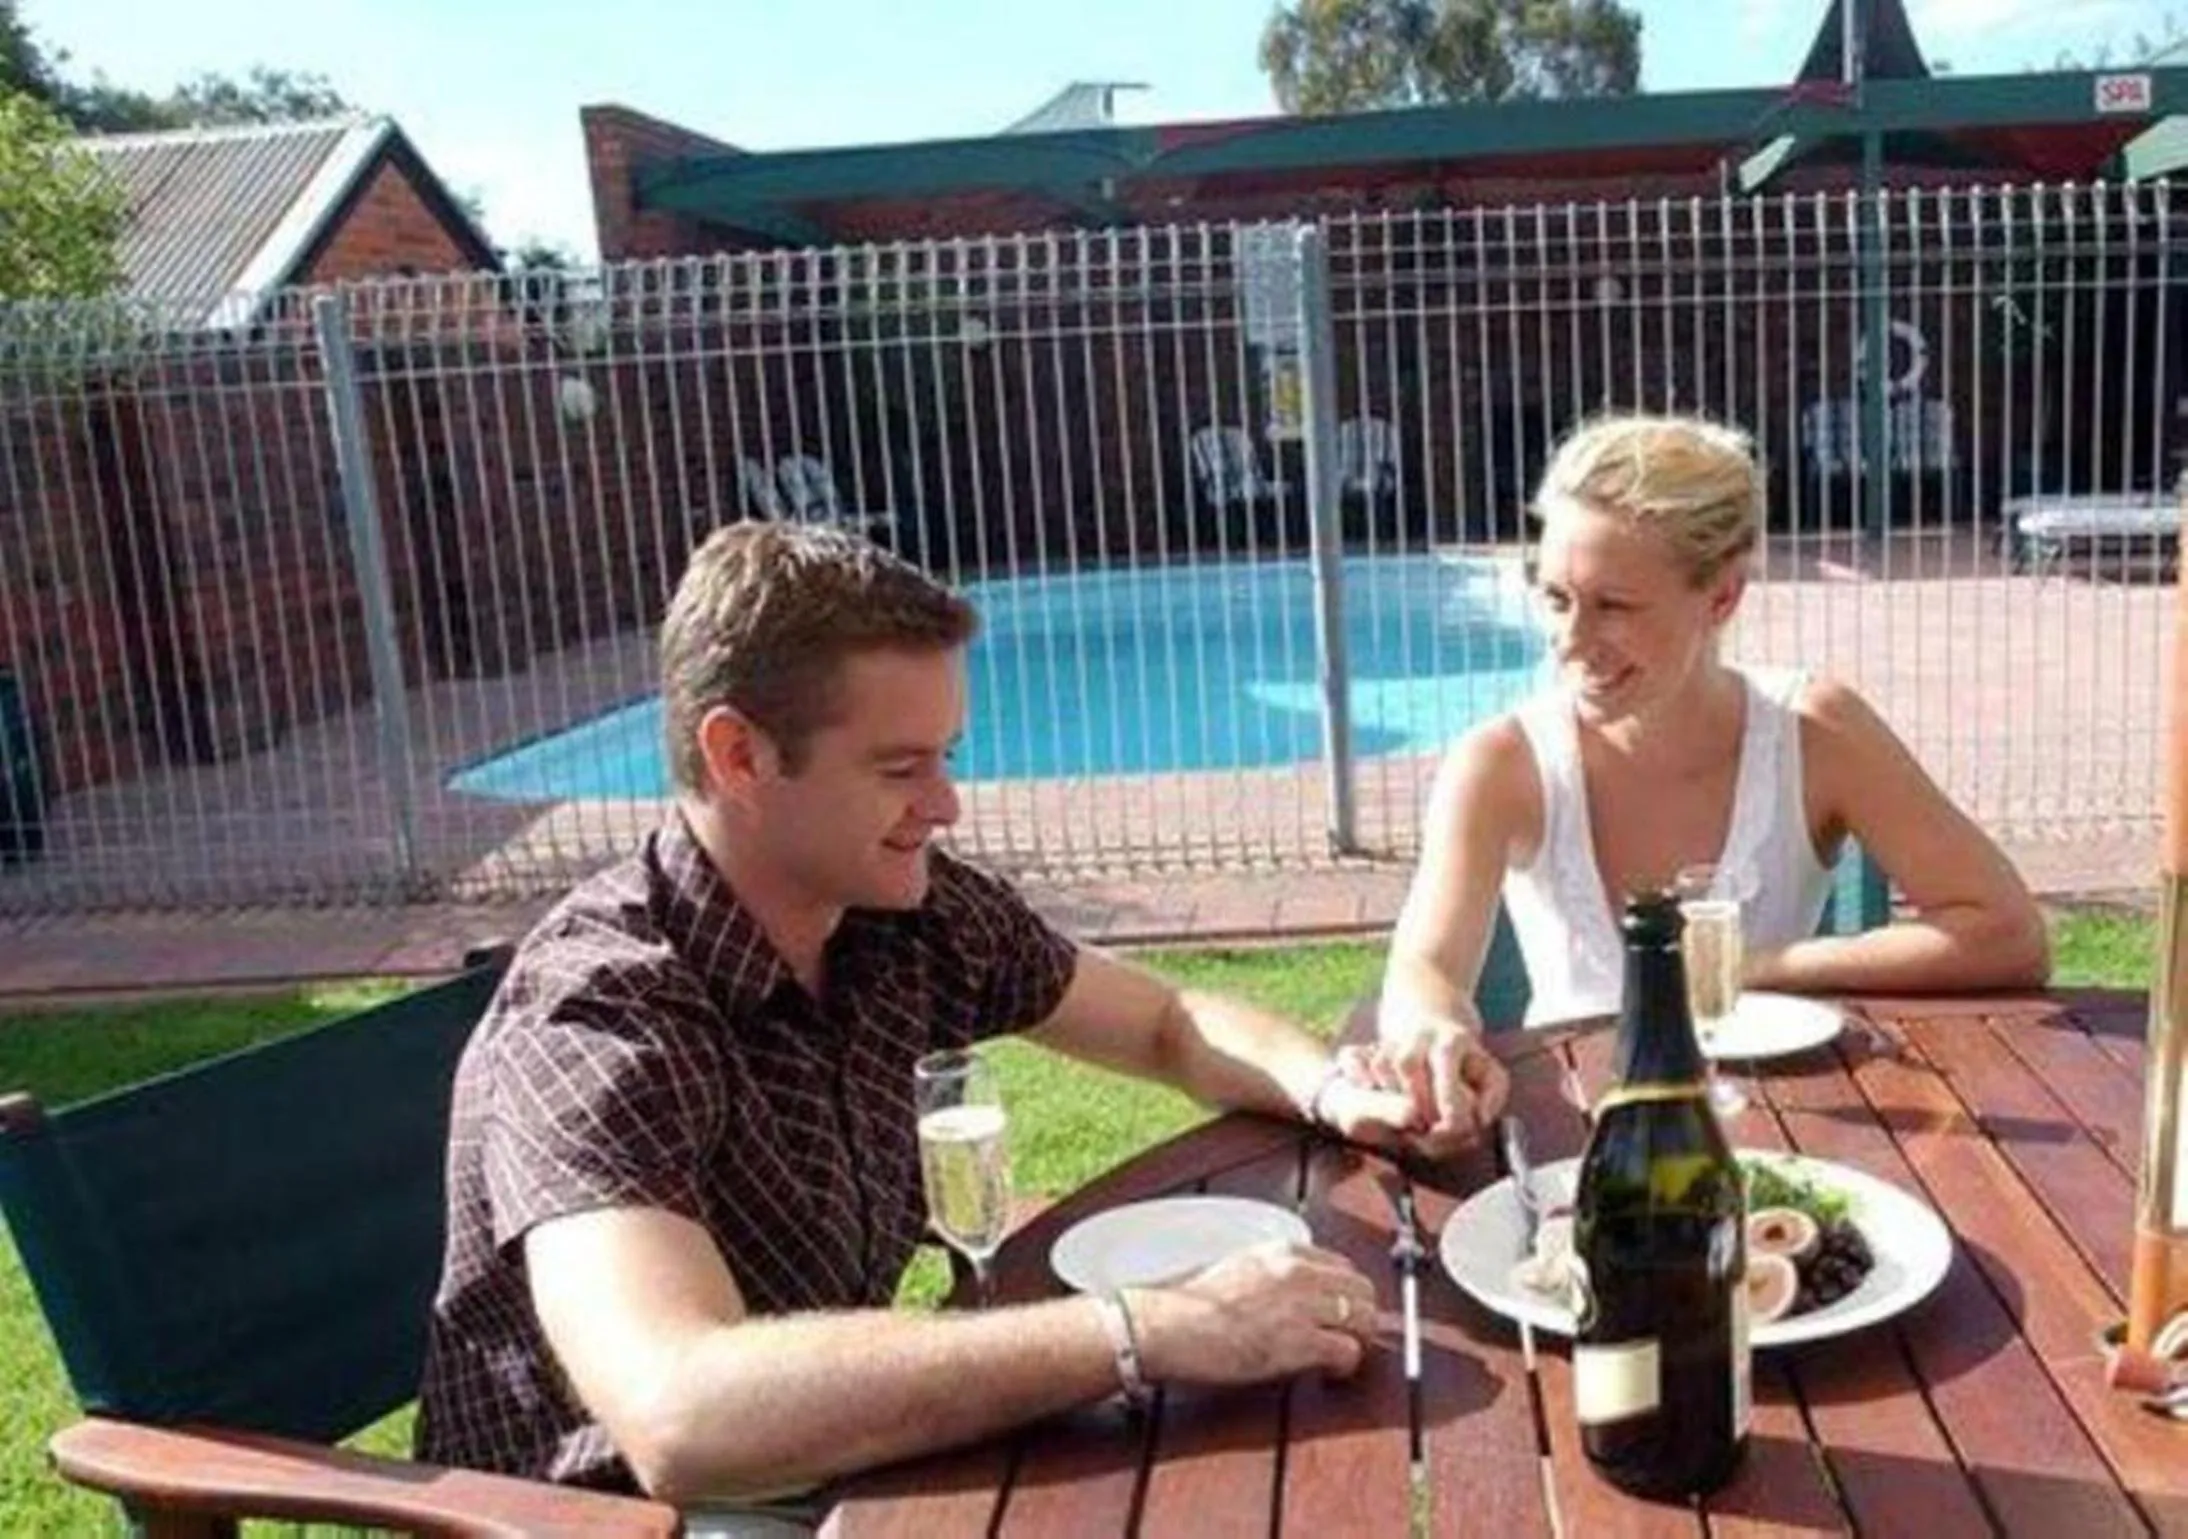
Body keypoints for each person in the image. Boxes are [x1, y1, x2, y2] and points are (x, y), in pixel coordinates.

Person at [413, 521, 1507, 1535]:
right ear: (739, 755)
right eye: (901, 767)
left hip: (846, 1464)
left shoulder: (903, 915)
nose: (944, 804)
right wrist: (1144, 1328)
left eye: (947, 755)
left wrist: (1336, 1089)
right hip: (631, 1516)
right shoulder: (602, 1017)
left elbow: (1167, 1022)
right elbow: (677, 1414)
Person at [1378, 412, 2049, 1114]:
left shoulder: (1814, 730)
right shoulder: (1501, 764)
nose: (1570, 641)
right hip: (1579, 1144)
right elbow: (1425, 968)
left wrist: (1755, 969)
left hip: (1793, 1131)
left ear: (1722, 596)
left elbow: (2007, 932)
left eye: (1614, 605)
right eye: (1555, 598)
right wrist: (1431, 1023)